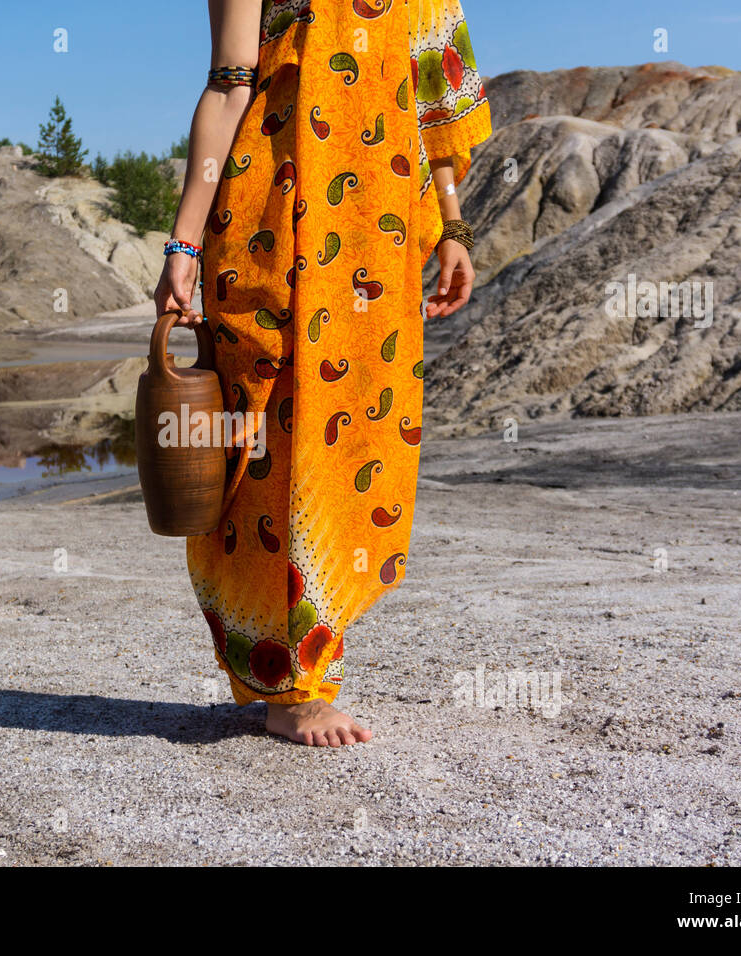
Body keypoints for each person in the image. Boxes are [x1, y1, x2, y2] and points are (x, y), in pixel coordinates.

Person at [153, 0, 492, 746]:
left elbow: (436, 94)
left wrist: (454, 224)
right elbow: (228, 86)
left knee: (357, 442)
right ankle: (291, 686)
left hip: (378, 228)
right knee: (268, 447)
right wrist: (182, 242)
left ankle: (303, 663)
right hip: (266, 219)